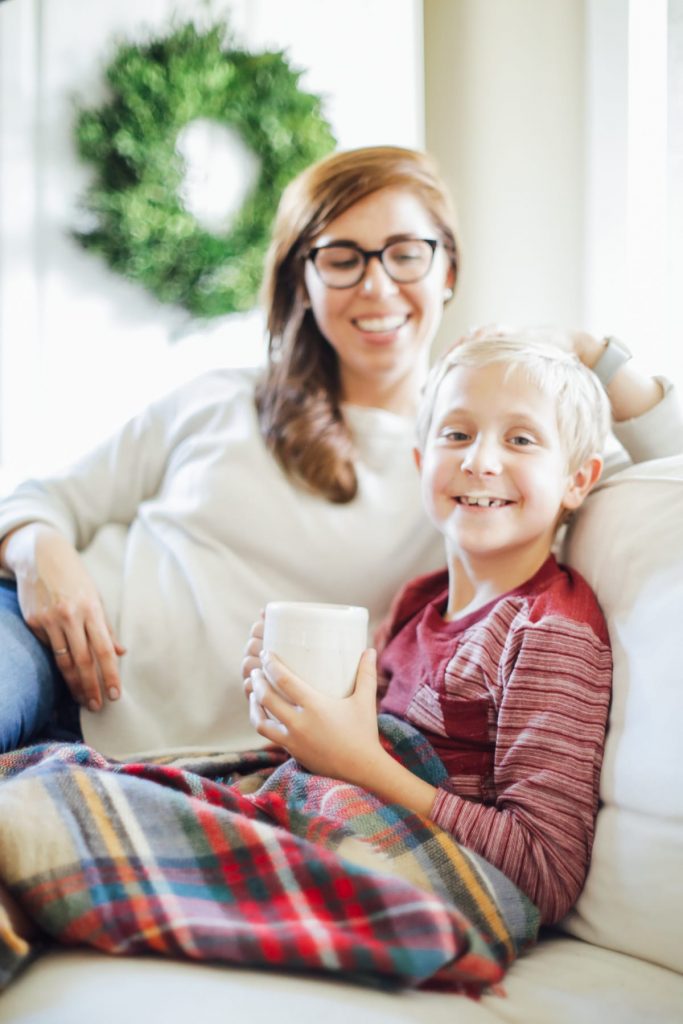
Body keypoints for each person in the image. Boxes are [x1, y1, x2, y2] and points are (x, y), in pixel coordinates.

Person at [0, 145, 680, 759]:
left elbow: (668, 477)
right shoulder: (217, 398)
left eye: (406, 253)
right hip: (35, 639)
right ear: (304, 279)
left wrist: (585, 350)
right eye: (342, 257)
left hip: (196, 748)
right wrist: (39, 554)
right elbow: (42, 500)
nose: (376, 286)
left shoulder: (475, 469)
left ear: (447, 269)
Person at [245, 332, 614, 926]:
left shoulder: (549, 631)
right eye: (456, 434)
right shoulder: (417, 602)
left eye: (520, 439)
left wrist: (358, 763)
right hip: (336, 819)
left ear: (577, 480)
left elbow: (546, 872)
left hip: (423, 872)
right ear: (421, 463)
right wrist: (295, 713)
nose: (479, 460)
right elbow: (351, 751)